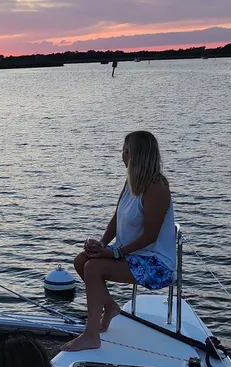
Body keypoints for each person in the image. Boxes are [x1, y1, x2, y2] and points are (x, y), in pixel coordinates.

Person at [66, 130, 176, 351]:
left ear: (134, 154)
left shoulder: (157, 188)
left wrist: (114, 253)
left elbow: (150, 237)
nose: (121, 155)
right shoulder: (131, 182)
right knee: (81, 260)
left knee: (94, 268)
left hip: (155, 262)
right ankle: (111, 306)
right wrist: (102, 244)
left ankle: (91, 335)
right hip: (131, 254)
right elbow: (117, 218)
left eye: (124, 150)